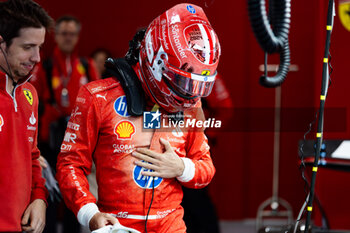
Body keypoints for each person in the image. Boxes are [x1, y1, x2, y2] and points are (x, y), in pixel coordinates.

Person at [56, 3, 221, 232]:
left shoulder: (193, 105)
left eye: (197, 85)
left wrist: (181, 167)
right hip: (116, 226)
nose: (190, 93)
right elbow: (69, 164)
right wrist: (90, 214)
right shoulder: (97, 97)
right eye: (184, 81)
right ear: (156, 60)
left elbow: (206, 168)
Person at [30, 15, 99, 233]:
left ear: (77, 37)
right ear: (56, 36)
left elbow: (99, 104)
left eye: (72, 34)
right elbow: (32, 102)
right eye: (63, 33)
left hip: (78, 145)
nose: (68, 38)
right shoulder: (45, 66)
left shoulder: (87, 66)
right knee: (49, 196)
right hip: (49, 143)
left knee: (74, 197)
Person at [0, 0, 53, 232]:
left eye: (39, 47)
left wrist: (39, 199)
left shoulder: (29, 94)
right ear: (1, 44)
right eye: (27, 47)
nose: (37, 57)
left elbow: (32, 156)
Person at [182, 74, 233, 233]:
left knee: (196, 196)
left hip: (194, 148)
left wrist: (208, 134)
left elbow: (225, 108)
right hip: (167, 143)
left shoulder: (208, 75)